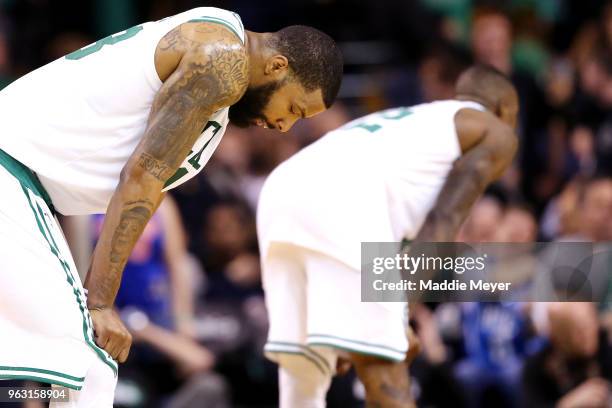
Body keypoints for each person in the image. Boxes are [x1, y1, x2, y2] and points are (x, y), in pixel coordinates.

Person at [0, 6, 343, 406]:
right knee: (89, 355)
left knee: (66, 365)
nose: (285, 126)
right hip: (10, 170)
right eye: (294, 110)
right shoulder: (222, 61)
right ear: (277, 66)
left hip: (22, 182)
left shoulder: (220, 45)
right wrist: (101, 303)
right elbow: (141, 180)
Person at [257, 65, 519, 407]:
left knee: (304, 377)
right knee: (385, 373)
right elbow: (445, 220)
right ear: (504, 110)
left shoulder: (418, 122)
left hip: (282, 187)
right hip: (343, 198)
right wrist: (399, 318)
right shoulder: (494, 130)